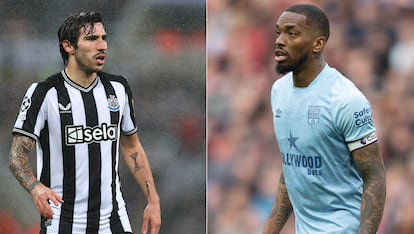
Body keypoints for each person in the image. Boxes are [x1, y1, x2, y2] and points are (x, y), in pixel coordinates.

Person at [8, 11, 161, 234]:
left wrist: (153, 199)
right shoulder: (44, 93)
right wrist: (36, 187)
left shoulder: (118, 88)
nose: (102, 46)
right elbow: (16, 156)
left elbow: (131, 146)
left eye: (104, 38)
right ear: (68, 46)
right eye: (92, 39)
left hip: (114, 221)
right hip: (63, 222)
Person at [263, 4, 386, 234]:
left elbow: (374, 175)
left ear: (318, 44)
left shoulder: (346, 100)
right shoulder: (279, 91)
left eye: (292, 33)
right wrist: (270, 228)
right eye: (278, 32)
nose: (280, 40)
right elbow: (293, 165)